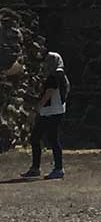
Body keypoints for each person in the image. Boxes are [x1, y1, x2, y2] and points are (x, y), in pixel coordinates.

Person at [22, 51, 69, 180]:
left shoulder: (56, 75)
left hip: (52, 111)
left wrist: (38, 107)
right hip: (51, 110)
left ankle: (58, 168)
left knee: (52, 139)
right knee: (36, 137)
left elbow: (49, 92)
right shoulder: (59, 73)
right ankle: (35, 168)